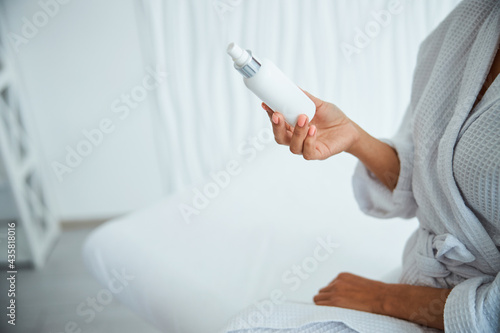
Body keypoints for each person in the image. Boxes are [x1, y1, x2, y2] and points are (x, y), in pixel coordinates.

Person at [261, 0, 499, 331]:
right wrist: (354, 137)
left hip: (449, 314)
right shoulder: (472, 20)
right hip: (419, 288)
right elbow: (433, 183)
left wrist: (383, 298)